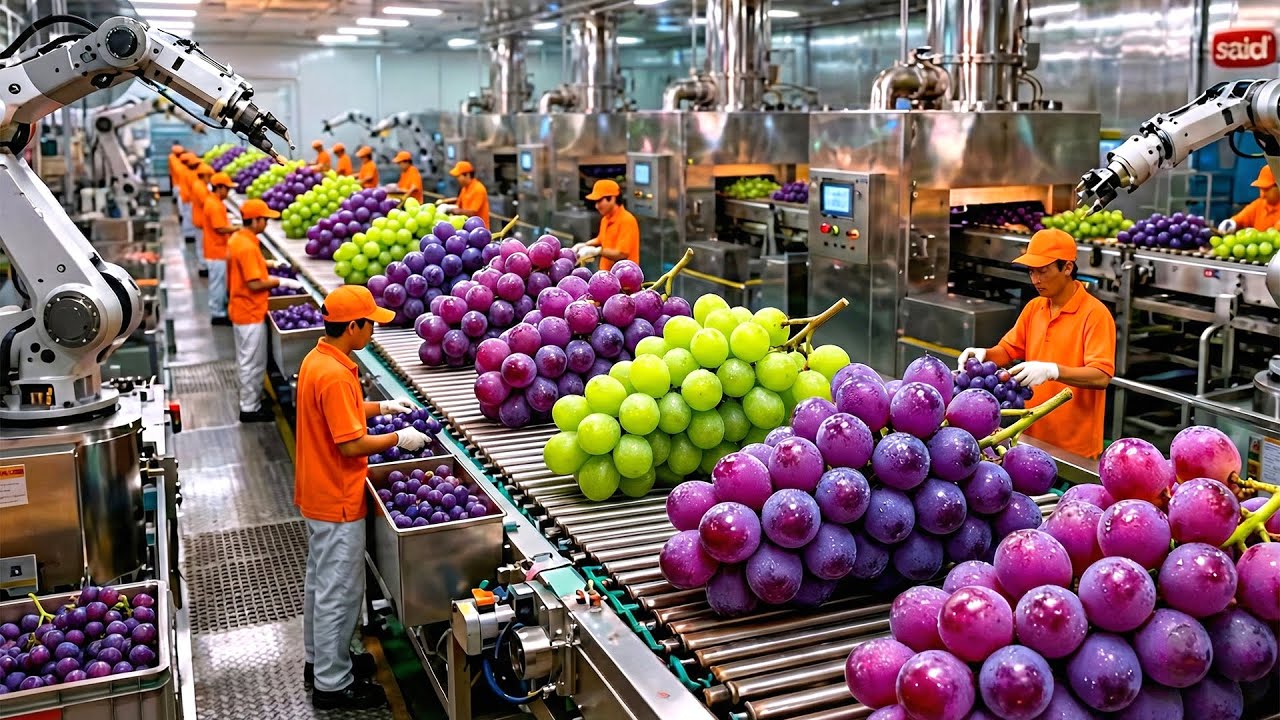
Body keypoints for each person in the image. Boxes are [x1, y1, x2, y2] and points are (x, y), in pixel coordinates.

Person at [294, 285, 428, 710]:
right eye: (370, 324)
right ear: (352, 326)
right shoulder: (333, 374)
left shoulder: (321, 360)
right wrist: (398, 437)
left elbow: (344, 412)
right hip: (337, 496)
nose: (374, 331)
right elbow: (351, 444)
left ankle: (320, 662)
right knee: (340, 591)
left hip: (318, 490)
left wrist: (384, 407)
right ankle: (333, 686)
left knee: (321, 583)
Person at [957, 228, 1116, 459]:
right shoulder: (1035, 308)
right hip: (1029, 437)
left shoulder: (1095, 315)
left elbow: (1101, 375)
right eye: (1031, 271)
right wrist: (983, 355)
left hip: (1074, 449)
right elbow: (1008, 350)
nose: (1036, 280)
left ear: (1068, 267)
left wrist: (1052, 371)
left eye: (1043, 271)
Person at [226, 198, 304, 422]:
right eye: (265, 219)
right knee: (252, 362)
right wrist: (283, 282)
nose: (267, 224)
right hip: (249, 311)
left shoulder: (239, 238)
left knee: (247, 359)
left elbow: (250, 267)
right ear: (256, 220)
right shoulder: (247, 246)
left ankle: (251, 399)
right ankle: (249, 408)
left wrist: (272, 266)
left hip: (240, 308)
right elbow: (255, 283)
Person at [576, 179, 639, 271]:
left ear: (612, 198)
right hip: (606, 275)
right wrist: (584, 245)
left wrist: (596, 251)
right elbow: (601, 239)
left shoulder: (627, 220)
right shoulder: (605, 219)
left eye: (599, 201)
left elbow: (621, 254)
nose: (597, 206)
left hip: (624, 278)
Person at [202, 172, 237, 325]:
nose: (228, 192)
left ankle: (219, 308)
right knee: (217, 283)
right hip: (216, 251)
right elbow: (220, 228)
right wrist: (237, 229)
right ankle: (217, 313)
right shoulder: (214, 204)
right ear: (220, 187)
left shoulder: (214, 200)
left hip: (217, 249)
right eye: (227, 189)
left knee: (219, 282)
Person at [1218, 165, 1280, 233]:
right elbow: (1240, 219)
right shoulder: (1259, 204)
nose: (1262, 195)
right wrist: (1231, 223)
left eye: (1266, 190)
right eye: (1261, 189)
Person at [437, 160, 490, 228]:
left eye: (458, 176)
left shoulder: (478, 189)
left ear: (467, 175)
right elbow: (459, 202)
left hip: (479, 228)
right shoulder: (465, 188)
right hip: (468, 226)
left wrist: (449, 210)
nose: (457, 179)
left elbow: (472, 213)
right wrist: (443, 202)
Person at [190, 162, 214, 277]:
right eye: (209, 177)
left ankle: (203, 265)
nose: (210, 179)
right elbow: (206, 203)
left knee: (201, 244)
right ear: (203, 175)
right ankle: (203, 267)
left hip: (199, 219)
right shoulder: (200, 187)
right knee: (202, 245)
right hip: (201, 221)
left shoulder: (200, 185)